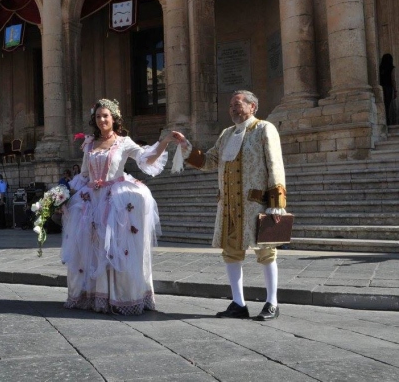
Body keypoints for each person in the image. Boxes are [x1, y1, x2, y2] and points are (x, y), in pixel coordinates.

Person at [61, 98, 181, 315]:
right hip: (90, 201)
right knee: (90, 249)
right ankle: (93, 296)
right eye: (98, 116)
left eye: (105, 116)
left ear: (114, 118)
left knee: (115, 249)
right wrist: (64, 195)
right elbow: (85, 174)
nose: (101, 120)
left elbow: (147, 158)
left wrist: (165, 141)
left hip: (113, 200)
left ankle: (119, 296)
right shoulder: (89, 144)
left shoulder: (124, 142)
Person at [175, 90, 287, 321]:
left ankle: (272, 303)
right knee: (231, 253)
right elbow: (210, 161)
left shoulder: (265, 129)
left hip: (257, 203)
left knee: (266, 252)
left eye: (237, 104)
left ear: (252, 106)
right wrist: (187, 147)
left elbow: (275, 164)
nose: (233, 109)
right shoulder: (226, 134)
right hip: (229, 206)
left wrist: (276, 202)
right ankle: (238, 303)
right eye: (230, 106)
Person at [380, 54, 397, 126]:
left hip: (382, 88)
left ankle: (384, 121)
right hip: (388, 88)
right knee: (388, 105)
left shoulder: (380, 68)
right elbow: (393, 79)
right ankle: (388, 121)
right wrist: (395, 90)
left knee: (383, 105)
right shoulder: (391, 68)